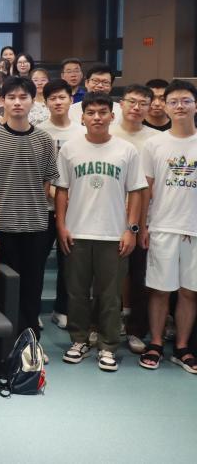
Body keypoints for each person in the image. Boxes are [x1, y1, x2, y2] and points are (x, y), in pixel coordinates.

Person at [55, 93, 146, 372]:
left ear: (112, 116)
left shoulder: (127, 150)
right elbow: (61, 190)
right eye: (91, 112)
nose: (97, 117)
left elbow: (136, 191)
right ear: (82, 117)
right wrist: (61, 225)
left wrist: (131, 229)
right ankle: (79, 340)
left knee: (110, 296)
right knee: (77, 292)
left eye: (102, 112)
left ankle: (108, 346)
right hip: (77, 232)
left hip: (113, 234)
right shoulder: (69, 149)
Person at [0, 77, 59, 346]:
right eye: (11, 97)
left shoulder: (45, 140)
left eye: (23, 97)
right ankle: (6, 346)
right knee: (5, 288)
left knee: (33, 289)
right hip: (2, 228)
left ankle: (30, 344)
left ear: (33, 101)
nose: (17, 102)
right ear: (3, 101)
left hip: (37, 227)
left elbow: (47, 181)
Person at [138, 80, 197, 373]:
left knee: (190, 291)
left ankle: (183, 347)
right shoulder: (154, 144)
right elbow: (145, 190)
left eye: (186, 101)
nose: (179, 106)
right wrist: (142, 227)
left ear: (195, 106)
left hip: (194, 228)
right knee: (160, 290)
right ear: (165, 107)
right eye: (173, 102)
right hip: (162, 225)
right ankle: (156, 343)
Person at [111, 84, 159, 353]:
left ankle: (136, 330)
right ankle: (105, 325)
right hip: (109, 215)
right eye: (131, 101)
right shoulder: (107, 133)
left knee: (139, 274)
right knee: (107, 275)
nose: (136, 107)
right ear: (121, 104)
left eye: (143, 103)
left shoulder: (155, 139)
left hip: (145, 216)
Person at [38, 78, 79, 329]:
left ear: (71, 100)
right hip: (43, 208)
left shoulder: (81, 132)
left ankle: (62, 309)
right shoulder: (38, 132)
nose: (57, 102)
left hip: (74, 209)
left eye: (62, 97)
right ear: (45, 103)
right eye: (52, 98)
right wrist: (55, 193)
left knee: (68, 262)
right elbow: (35, 172)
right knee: (36, 262)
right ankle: (33, 310)